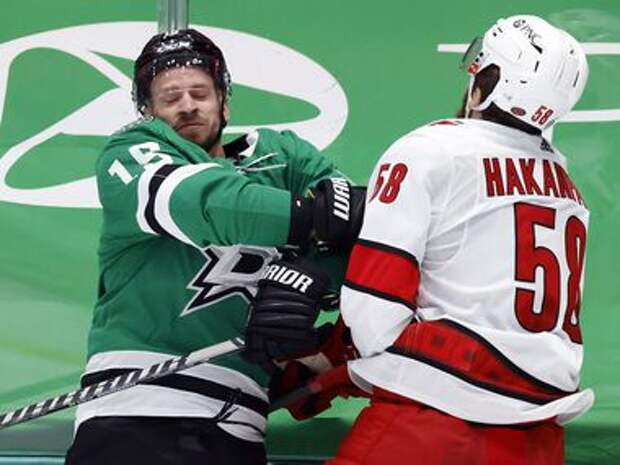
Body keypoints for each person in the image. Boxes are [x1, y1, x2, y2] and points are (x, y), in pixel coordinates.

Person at [64, 28, 364, 465]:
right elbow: (208, 204)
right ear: (147, 111)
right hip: (136, 411)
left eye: (200, 92)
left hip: (239, 423)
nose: (187, 105)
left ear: (224, 100)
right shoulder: (131, 153)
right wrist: (313, 218)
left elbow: (356, 233)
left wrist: (314, 278)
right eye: (170, 98)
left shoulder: (285, 156)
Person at [325, 15, 592, 465]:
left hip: (433, 425)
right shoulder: (567, 189)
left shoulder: (431, 150)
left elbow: (374, 316)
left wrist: (336, 356)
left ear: (487, 83)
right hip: (538, 440)